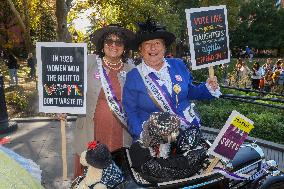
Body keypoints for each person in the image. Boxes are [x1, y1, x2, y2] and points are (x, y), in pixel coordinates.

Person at [122, 20, 221, 142]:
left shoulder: (178, 64)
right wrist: (142, 135)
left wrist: (208, 87)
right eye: (147, 44)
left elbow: (190, 91)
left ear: (164, 48)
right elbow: (131, 112)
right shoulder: (133, 76)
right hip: (155, 140)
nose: (153, 47)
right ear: (141, 50)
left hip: (187, 133)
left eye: (157, 43)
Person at [70, 24, 135, 178]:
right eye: (109, 41)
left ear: (124, 47)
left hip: (121, 134)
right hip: (91, 131)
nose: (113, 45)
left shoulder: (131, 69)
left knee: (117, 176)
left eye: (119, 42)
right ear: (102, 44)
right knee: (90, 178)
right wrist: (61, 108)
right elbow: (68, 83)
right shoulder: (88, 62)